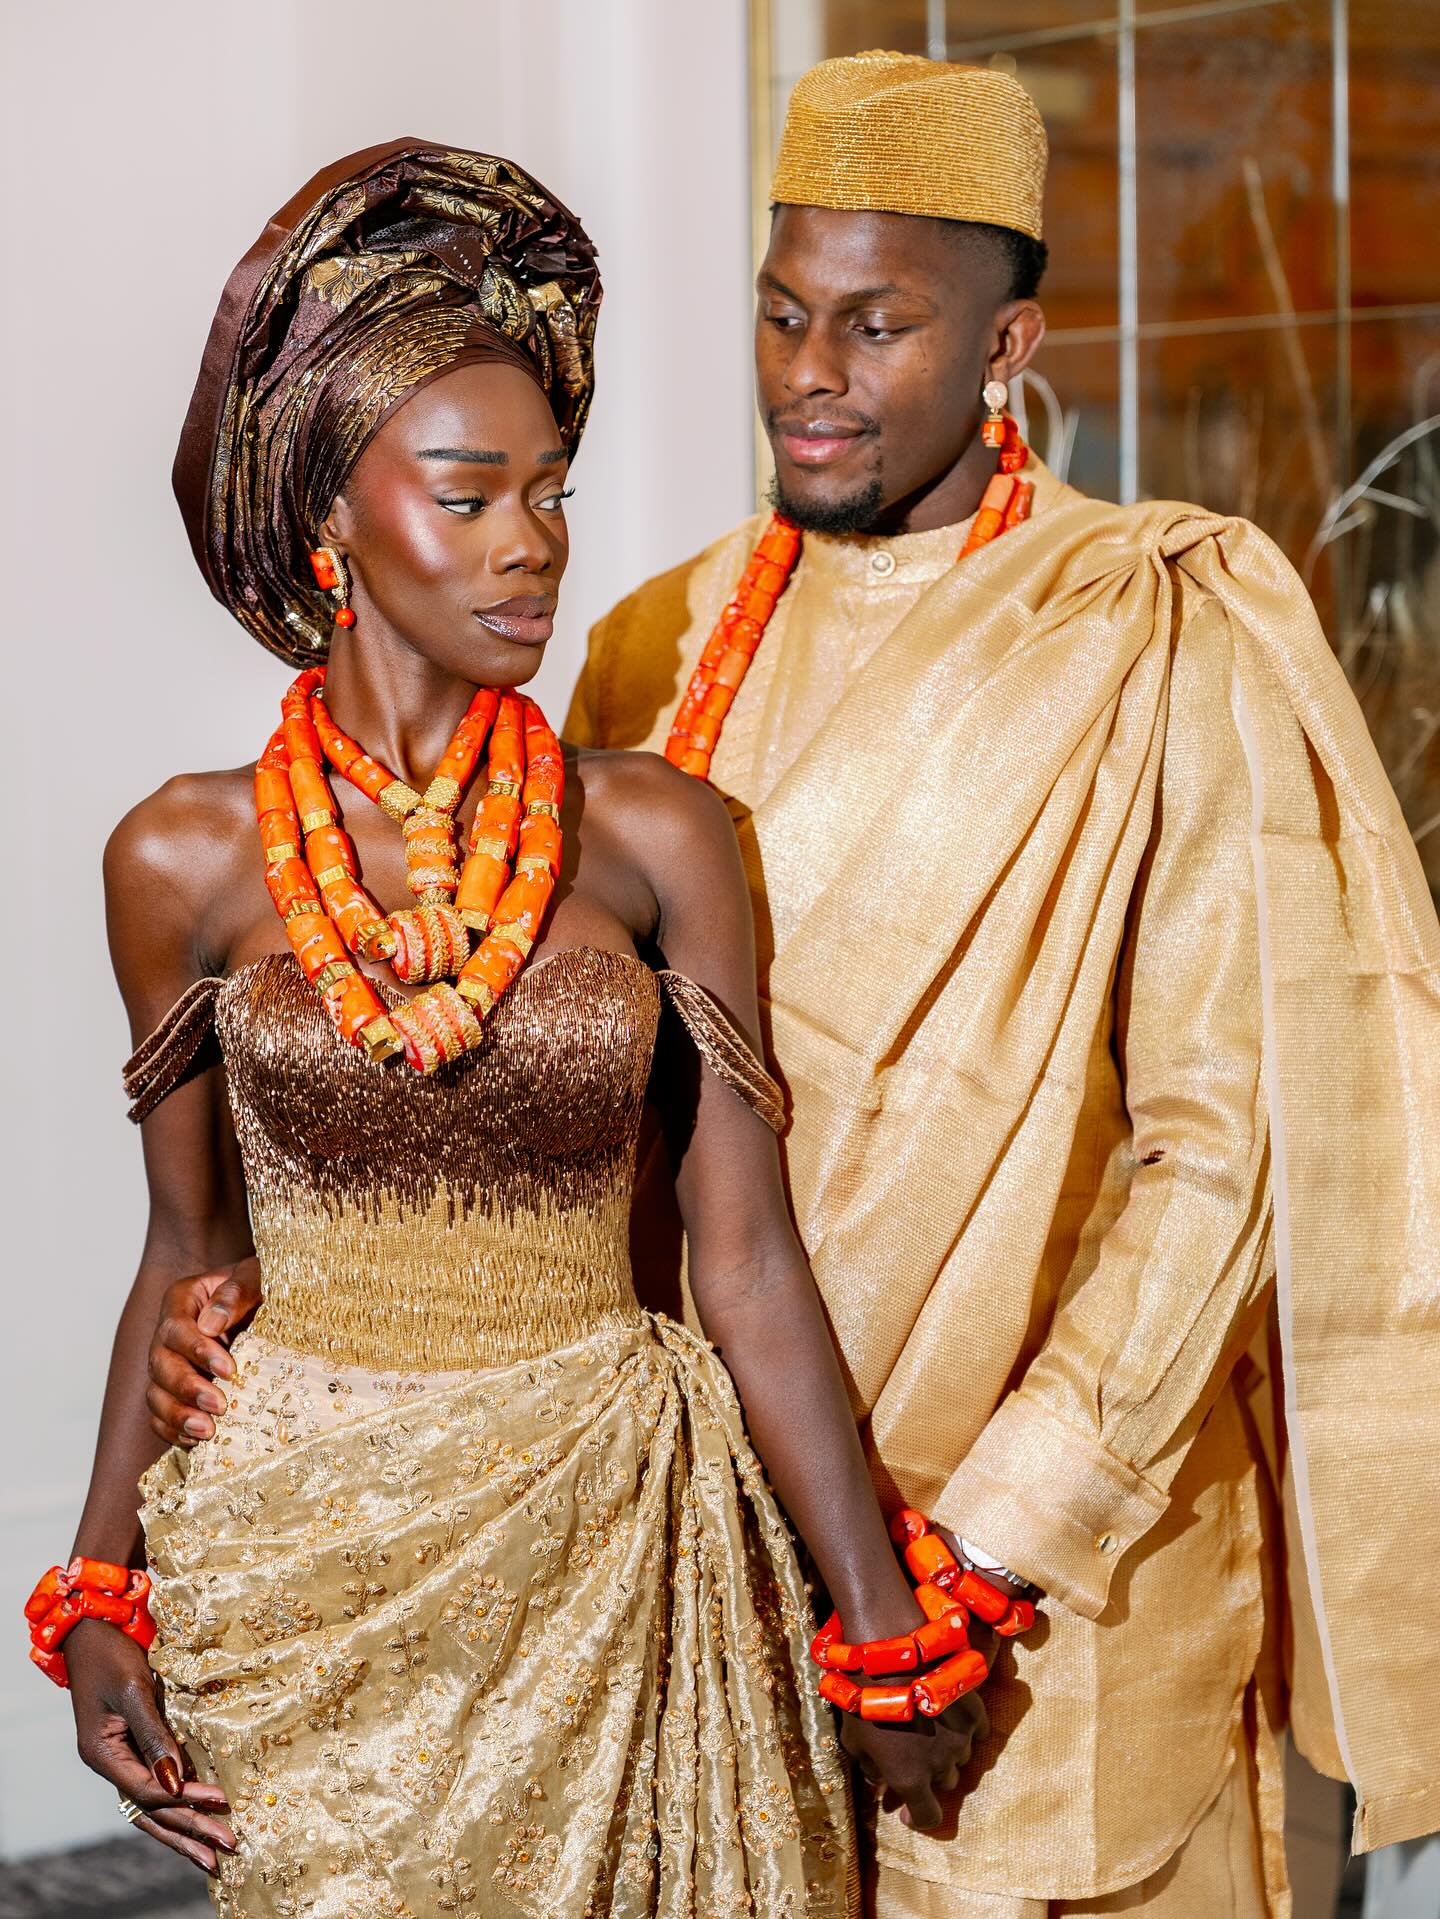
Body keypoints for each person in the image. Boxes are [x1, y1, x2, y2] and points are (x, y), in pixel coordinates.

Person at [145, 60, 1440, 1919]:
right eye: (778, 314)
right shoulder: (659, 638)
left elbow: (1226, 1155)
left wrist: (979, 1556)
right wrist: (298, 1280)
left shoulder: (1163, 621)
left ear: (1010, 345)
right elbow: (536, 1057)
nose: (811, 374)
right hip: (694, 1578)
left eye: (878, 325)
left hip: (1053, 1601)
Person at [42, 139, 1012, 1919]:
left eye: (550, 494)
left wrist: (883, 1624)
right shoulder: (177, 857)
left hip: (625, 1548)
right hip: (312, 1561)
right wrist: (99, 1589)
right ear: (333, 511)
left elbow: (751, 1267)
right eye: (469, 495)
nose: (530, 547)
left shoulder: (656, 835)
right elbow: (184, 1245)